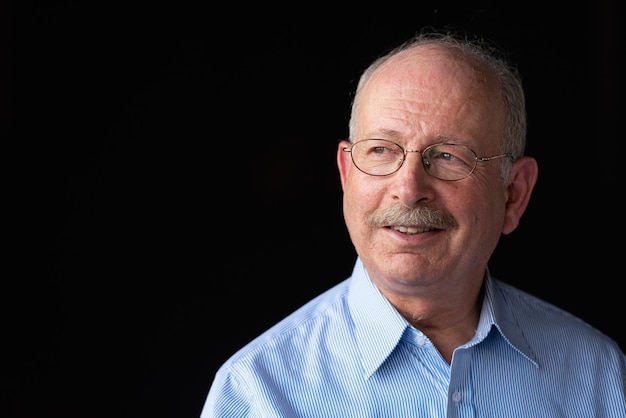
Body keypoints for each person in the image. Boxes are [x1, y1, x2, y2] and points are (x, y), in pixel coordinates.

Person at [199, 29, 626, 417]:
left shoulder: (599, 378)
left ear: (513, 194)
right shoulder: (257, 394)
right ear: (347, 176)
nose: (408, 188)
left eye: (447, 156)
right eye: (382, 150)